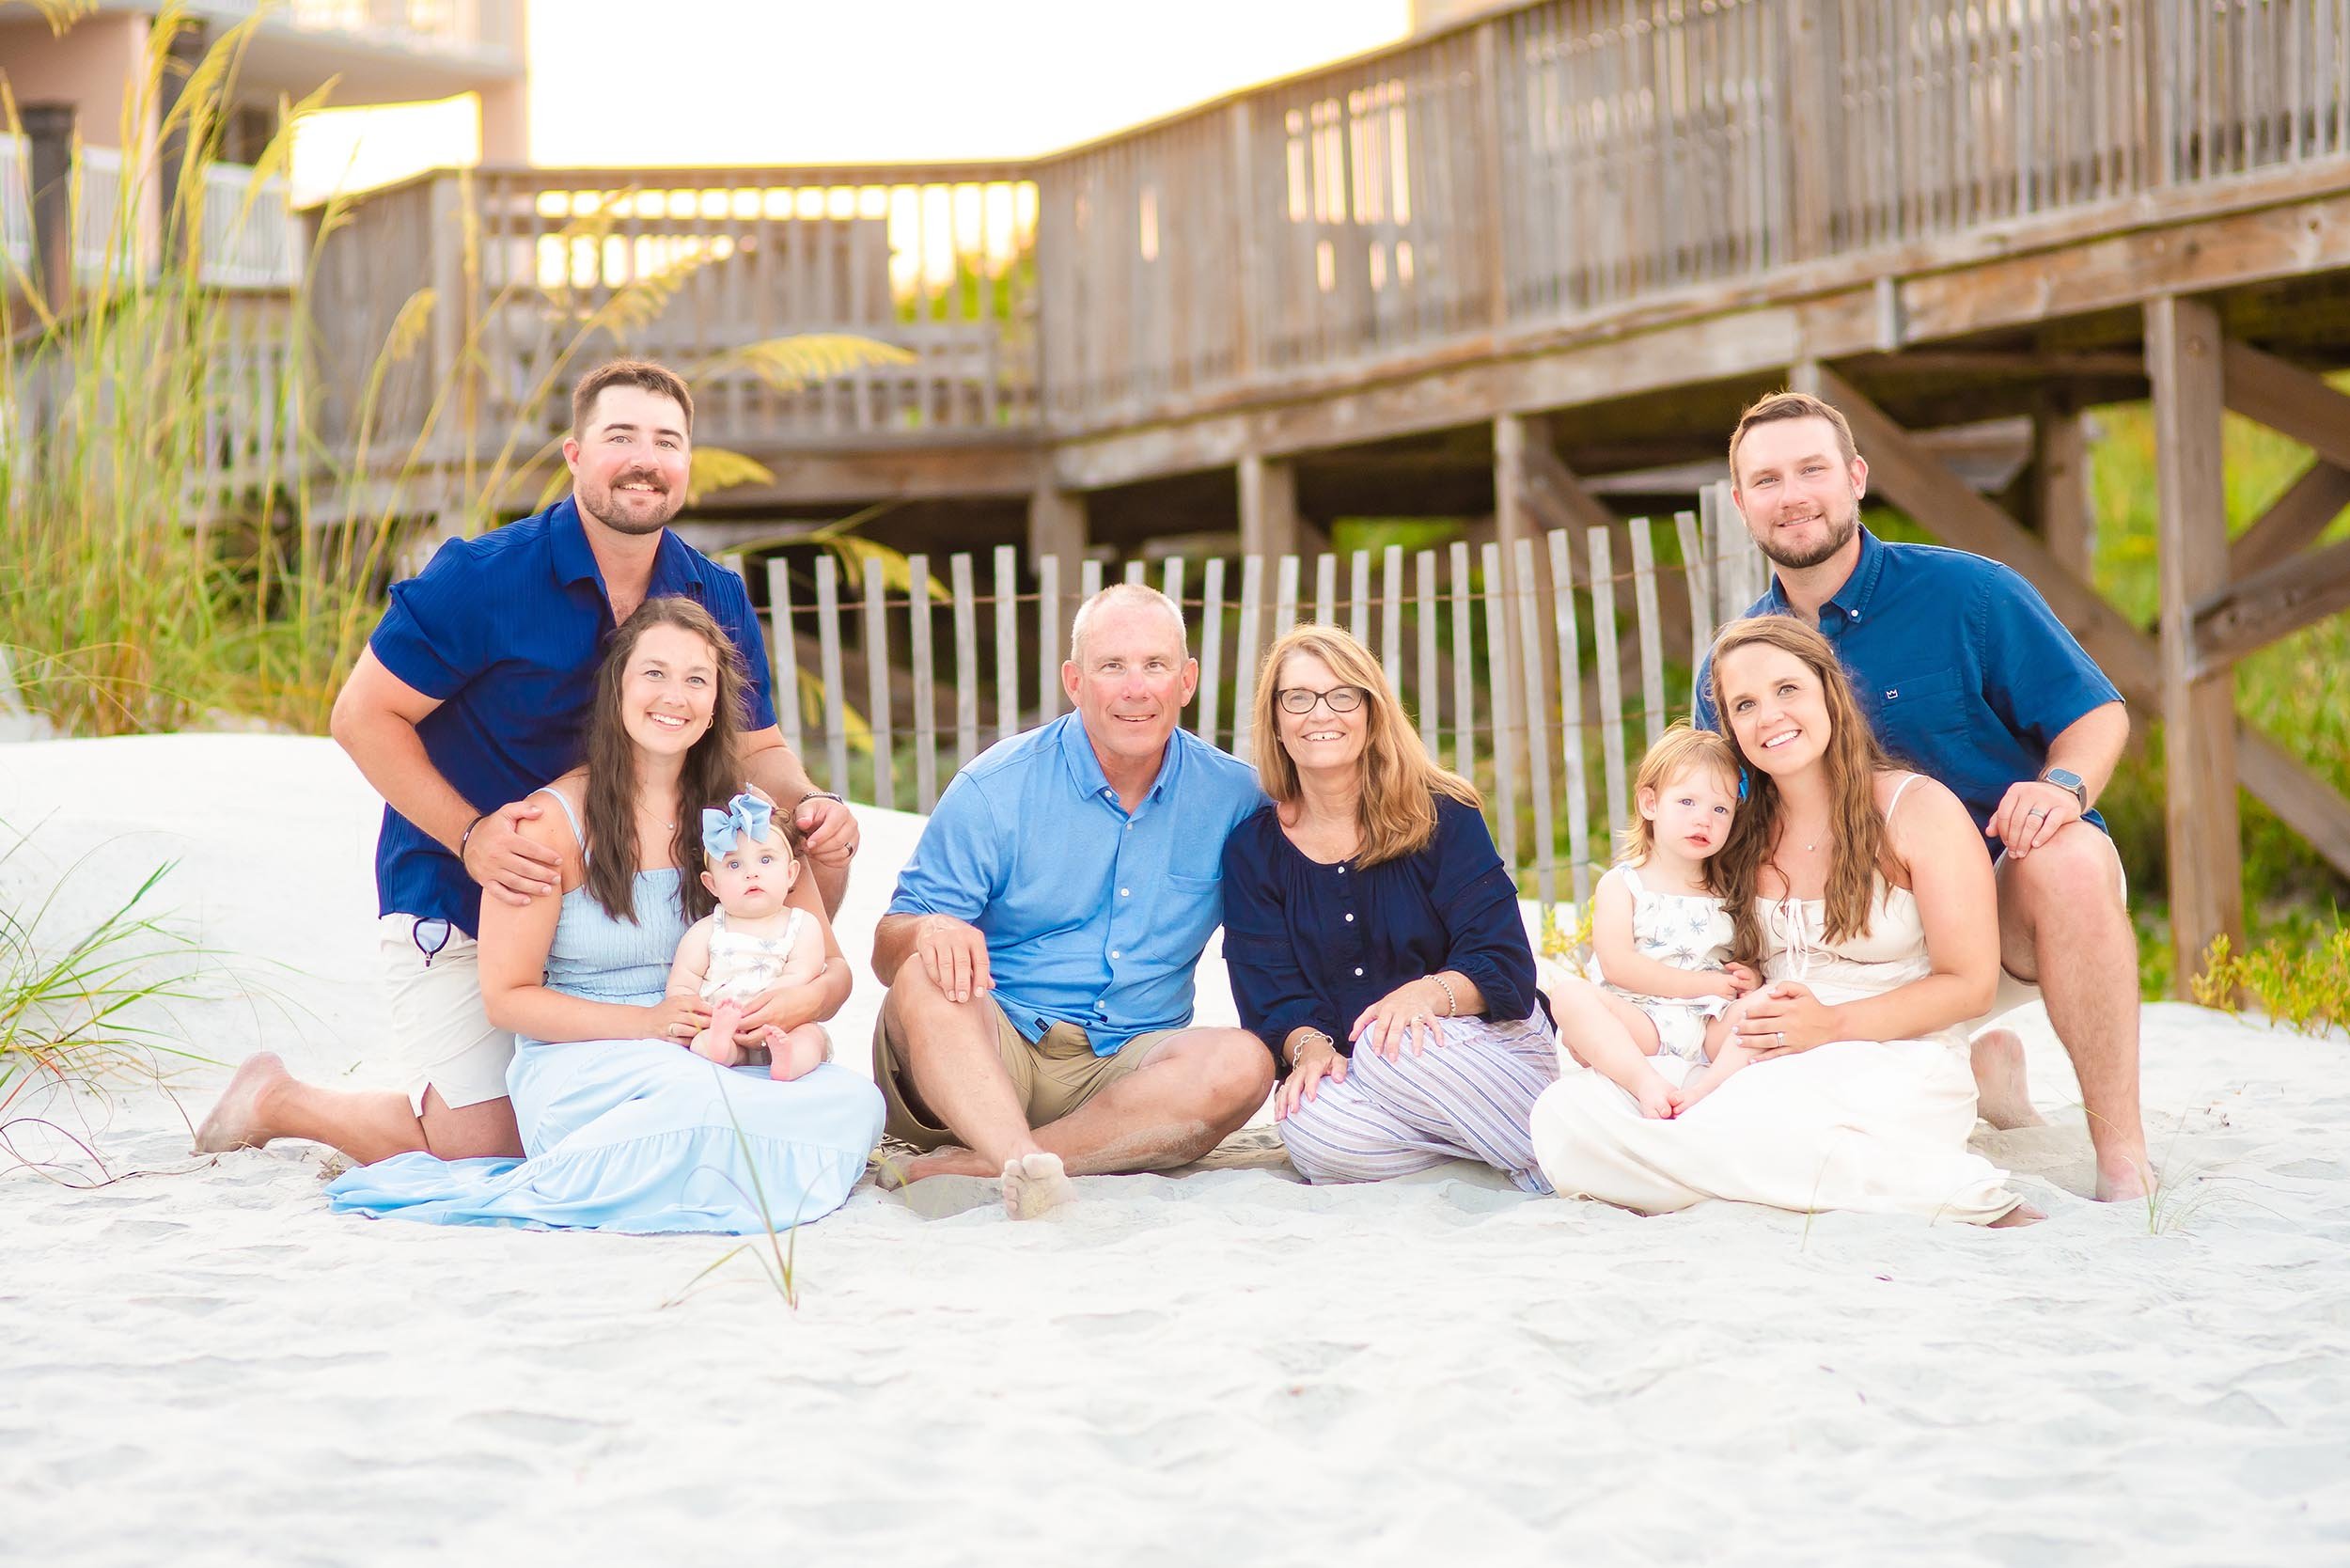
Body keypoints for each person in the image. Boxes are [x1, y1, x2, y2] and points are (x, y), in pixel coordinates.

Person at [193, 359, 857, 1166]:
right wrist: (471, 837)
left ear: (686, 463)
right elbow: (362, 716)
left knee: (668, 1082)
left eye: (666, 442)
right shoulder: (484, 577)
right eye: (621, 437)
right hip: (469, 887)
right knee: (486, 1143)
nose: (645, 458)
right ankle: (278, 1099)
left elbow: (758, 748)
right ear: (575, 455)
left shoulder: (709, 592)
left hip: (624, 912)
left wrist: (815, 804)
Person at [1695, 389, 2149, 1201]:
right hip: (1840, 940)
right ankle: (1987, 1078)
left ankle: (2122, 1159)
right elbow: (1720, 818)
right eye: (1766, 480)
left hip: (1995, 913)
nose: (1791, 495)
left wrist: (2064, 786)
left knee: (2073, 861)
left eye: (1812, 470)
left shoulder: (1969, 595)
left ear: (1856, 477)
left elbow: (2095, 714)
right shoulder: (1737, 664)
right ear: (1740, 504)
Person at [321, 598, 884, 1232]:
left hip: (718, 1052)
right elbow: (508, 999)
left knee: (854, 1101)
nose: (675, 696)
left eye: (696, 679)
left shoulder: (745, 818)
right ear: (617, 686)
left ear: (716, 705)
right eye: (654, 674)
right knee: (696, 1102)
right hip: (589, 1058)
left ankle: (700, 1166)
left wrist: (797, 1007)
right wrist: (648, 1022)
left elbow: (833, 968)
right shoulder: (547, 823)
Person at [1532, 618, 2033, 1226]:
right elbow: (1674, 924)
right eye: (1745, 704)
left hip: (1888, 1048)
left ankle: (1939, 1183)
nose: (1769, 715)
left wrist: (1829, 1024)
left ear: (1829, 690)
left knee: (1763, 1121)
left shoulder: (1917, 809)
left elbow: (1970, 985)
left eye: (1787, 690)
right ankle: (1773, 1166)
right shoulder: (1732, 830)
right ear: (1731, 727)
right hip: (1751, 1046)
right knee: (1563, 1119)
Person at [869, 584, 1273, 1219]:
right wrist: (929, 931)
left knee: (1245, 1062)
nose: (1135, 688)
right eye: (1112, 666)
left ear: (1187, 681)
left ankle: (1001, 1162)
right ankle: (1013, 1153)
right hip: (988, 1050)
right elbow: (888, 948)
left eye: (1155, 666)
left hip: (1131, 1072)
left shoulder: (1238, 799)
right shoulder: (995, 788)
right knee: (923, 975)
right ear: (1075, 681)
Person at [1221, 625, 1560, 1192]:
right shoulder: (1252, 851)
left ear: (1371, 712)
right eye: (1298, 698)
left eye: (1342, 695)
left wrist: (1426, 994)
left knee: (1391, 1047)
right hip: (1355, 1070)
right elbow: (1270, 994)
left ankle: (1560, 1162)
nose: (1319, 713)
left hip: (1481, 1046)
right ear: (1276, 720)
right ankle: (1489, 1159)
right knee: (1309, 1124)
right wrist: (1307, 1048)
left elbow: (1504, 962)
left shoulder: (1442, 816)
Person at [1543, 724, 1762, 1121]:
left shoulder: (1731, 888)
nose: (1704, 820)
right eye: (1687, 802)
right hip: (1640, 1019)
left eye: (1719, 809)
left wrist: (1750, 979)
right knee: (1569, 996)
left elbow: (1744, 956)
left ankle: (1706, 1090)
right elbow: (1619, 966)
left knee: (1768, 1006)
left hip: (1708, 1020)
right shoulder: (1624, 883)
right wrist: (1704, 984)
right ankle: (1644, 1081)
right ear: (1650, 804)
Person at [668, 792, 833, 1080]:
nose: (751, 874)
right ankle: (722, 1050)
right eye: (734, 865)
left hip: (784, 1023)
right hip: (723, 1022)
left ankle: (788, 1061)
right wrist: (703, 1017)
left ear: (791, 873)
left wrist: (763, 1009)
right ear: (711, 884)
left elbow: (801, 974)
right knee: (701, 1043)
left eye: (766, 860)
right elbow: (683, 981)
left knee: (812, 1037)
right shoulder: (708, 930)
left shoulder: (801, 925)